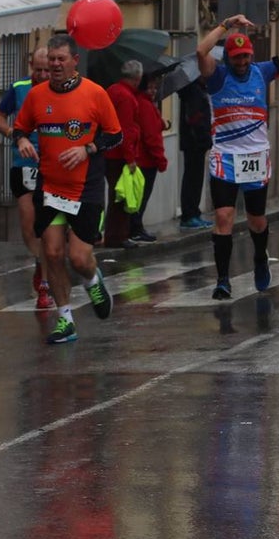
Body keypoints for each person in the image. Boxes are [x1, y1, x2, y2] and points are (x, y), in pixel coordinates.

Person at [12, 34, 122, 344]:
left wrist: (87, 149)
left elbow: (115, 136)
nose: (56, 65)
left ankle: (92, 279)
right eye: (52, 59)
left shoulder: (95, 94)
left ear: (75, 61)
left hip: (85, 188)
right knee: (52, 252)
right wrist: (20, 140)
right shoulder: (37, 96)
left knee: (78, 258)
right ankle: (65, 319)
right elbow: (20, 126)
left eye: (62, 59)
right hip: (50, 186)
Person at [197, 13, 279, 300]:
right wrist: (225, 25)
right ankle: (222, 280)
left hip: (255, 157)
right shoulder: (217, 76)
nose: (242, 63)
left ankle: (259, 256)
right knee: (224, 217)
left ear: (251, 56)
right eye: (237, 58)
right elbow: (201, 51)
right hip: (225, 157)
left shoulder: (262, 71)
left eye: (245, 57)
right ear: (228, 57)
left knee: (256, 220)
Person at [0, 46, 54, 310]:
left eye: (46, 70)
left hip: (53, 165)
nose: (41, 75)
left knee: (51, 226)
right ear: (30, 66)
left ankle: (46, 279)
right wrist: (13, 135)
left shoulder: (62, 89)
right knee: (28, 225)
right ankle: (41, 265)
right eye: (37, 70)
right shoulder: (18, 87)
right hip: (24, 164)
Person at [107, 61, 169, 247]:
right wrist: (130, 158)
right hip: (121, 155)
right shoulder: (127, 97)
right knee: (123, 197)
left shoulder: (114, 90)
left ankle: (118, 234)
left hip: (112, 152)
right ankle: (118, 236)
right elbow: (127, 129)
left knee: (119, 196)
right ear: (137, 78)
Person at [176, 78, 214, 229]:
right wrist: (203, 137)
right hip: (194, 142)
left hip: (197, 142)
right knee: (192, 179)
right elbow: (195, 118)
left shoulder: (199, 90)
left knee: (195, 179)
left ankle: (194, 213)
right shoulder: (194, 92)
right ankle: (189, 215)